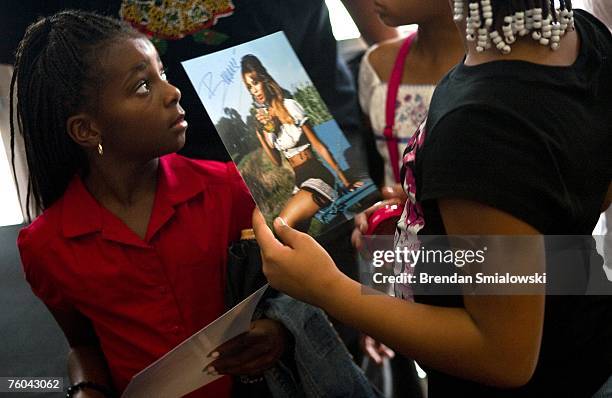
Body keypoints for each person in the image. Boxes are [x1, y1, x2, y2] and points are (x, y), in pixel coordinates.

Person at [253, 0, 612, 396]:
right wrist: (432, 223)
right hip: (585, 343)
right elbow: (578, 198)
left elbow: (502, 356)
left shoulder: (480, 122)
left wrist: (328, 288)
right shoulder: (578, 34)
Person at [11, 11, 291, 397]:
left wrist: (275, 332)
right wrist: (86, 388)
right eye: (143, 86)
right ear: (87, 129)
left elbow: (289, 295)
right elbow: (83, 345)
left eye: (163, 74)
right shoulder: (46, 246)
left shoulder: (230, 188)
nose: (173, 91)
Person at [241, 54, 362, 228]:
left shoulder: (289, 106)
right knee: (296, 232)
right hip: (300, 181)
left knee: (282, 225)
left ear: (264, 79)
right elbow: (276, 162)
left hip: (317, 175)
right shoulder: (267, 123)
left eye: (255, 82)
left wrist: (344, 180)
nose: (254, 90)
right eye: (249, 87)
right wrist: (261, 132)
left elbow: (319, 146)